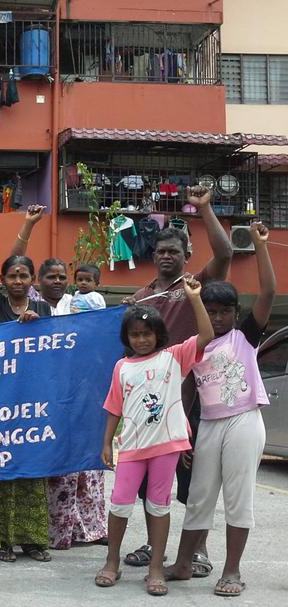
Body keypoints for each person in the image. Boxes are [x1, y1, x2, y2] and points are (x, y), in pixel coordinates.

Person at [123, 185, 231, 573]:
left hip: (192, 401)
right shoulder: (140, 297)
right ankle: (155, 546)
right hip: (150, 409)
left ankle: (198, 550)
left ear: (187, 256)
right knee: (153, 484)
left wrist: (205, 208)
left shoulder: (194, 288)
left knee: (193, 483)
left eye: (175, 251)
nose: (167, 256)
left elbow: (226, 253)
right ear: (153, 256)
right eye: (161, 251)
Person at [164, 222, 274, 597]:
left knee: (238, 498)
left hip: (244, 421)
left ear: (234, 312)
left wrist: (260, 245)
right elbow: (188, 393)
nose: (217, 317)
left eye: (224, 311)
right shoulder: (193, 345)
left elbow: (269, 291)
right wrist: (184, 435)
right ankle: (182, 563)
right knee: (199, 496)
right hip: (208, 426)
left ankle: (231, 571)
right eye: (209, 311)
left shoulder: (245, 334)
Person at [95, 277, 213, 596]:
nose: (142, 339)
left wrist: (195, 298)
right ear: (127, 338)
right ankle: (112, 561)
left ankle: (156, 567)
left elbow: (206, 335)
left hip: (165, 447)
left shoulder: (174, 357)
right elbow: (114, 407)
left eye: (147, 334)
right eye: (135, 334)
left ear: (159, 335)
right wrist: (107, 442)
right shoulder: (122, 367)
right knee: (120, 504)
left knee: (158, 506)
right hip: (132, 447)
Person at [0, 251, 53, 563]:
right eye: (12, 275)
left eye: (23, 275)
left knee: (30, 469)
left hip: (31, 402)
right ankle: (2, 541)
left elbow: (53, 348)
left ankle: (33, 541)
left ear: (32, 280)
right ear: (3, 280)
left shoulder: (44, 308)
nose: (18, 280)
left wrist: (36, 326)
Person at [45, 260, 108, 550]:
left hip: (83, 390)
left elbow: (99, 333)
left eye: (61, 277)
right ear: (40, 279)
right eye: (51, 276)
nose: (57, 281)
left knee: (87, 466)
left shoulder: (80, 303)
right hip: (49, 395)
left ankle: (91, 528)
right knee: (58, 465)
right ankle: (58, 530)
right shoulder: (36, 307)